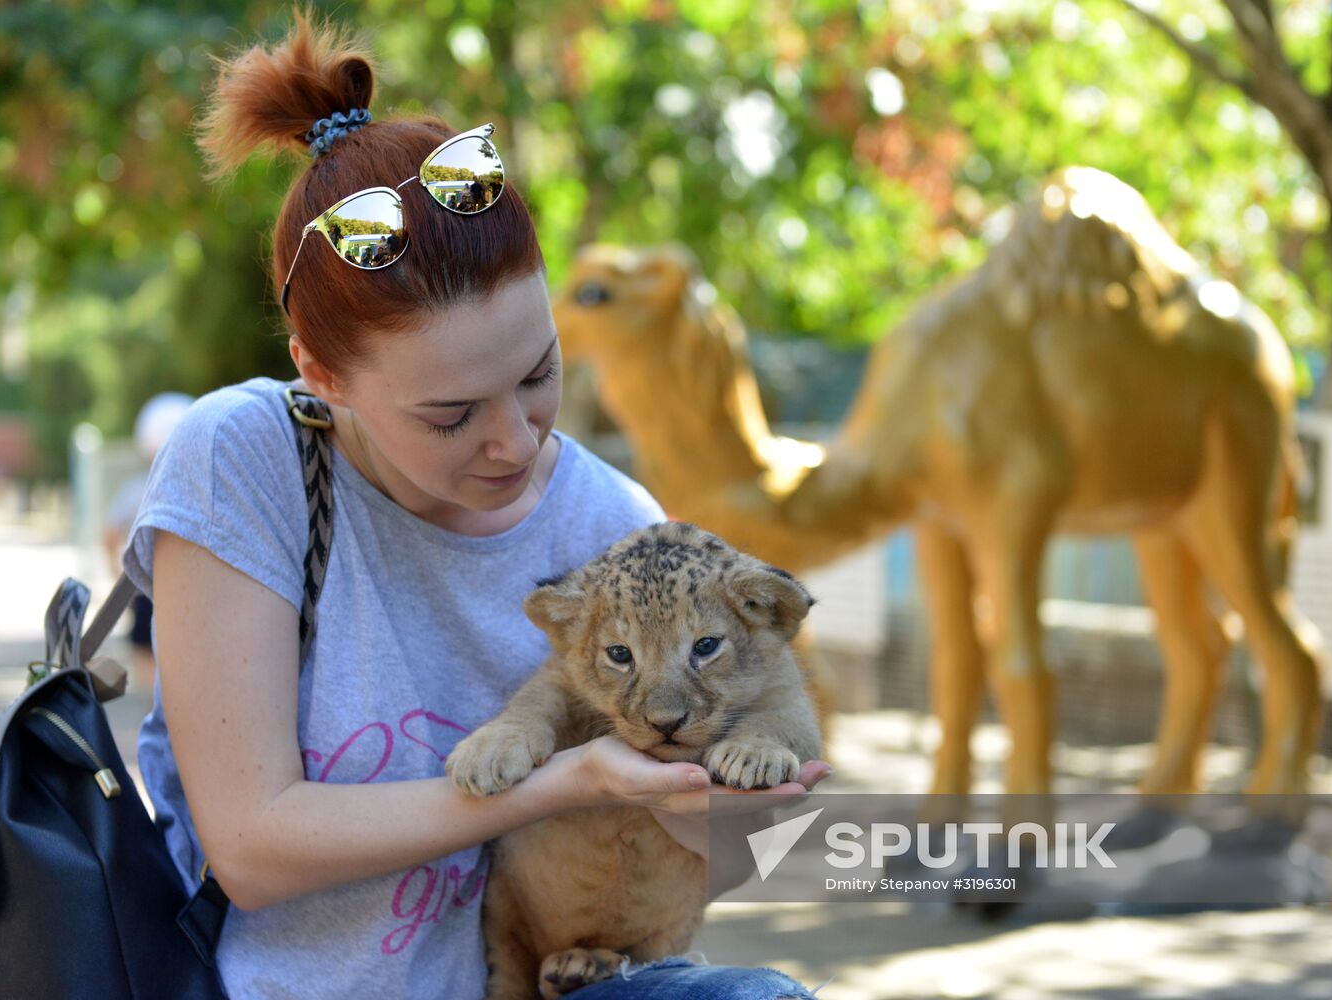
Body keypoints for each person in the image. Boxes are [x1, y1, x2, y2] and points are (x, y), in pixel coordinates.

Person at [122, 15, 830, 1000]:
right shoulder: (244, 458)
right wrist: (562, 783)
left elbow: (743, 852)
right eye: (451, 414)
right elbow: (251, 844)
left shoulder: (613, 521)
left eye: (539, 373)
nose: (517, 439)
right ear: (321, 376)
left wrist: (726, 807)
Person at [101, 390, 194, 690]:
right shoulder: (199, 493)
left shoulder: (136, 490)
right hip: (185, 587)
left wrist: (119, 576)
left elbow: (109, 536)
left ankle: (161, 708)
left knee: (149, 660)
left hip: (146, 588)